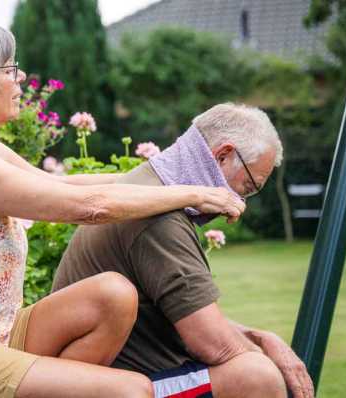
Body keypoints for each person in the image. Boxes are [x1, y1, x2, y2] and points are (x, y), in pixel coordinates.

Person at [0, 20, 246, 398]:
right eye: (9, 69)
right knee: (130, 391)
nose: (21, 76)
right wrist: (192, 195)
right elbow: (88, 207)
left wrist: (166, 181)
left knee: (114, 295)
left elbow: (62, 185)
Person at [53, 103, 315, 398]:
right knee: (260, 377)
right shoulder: (162, 221)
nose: (242, 203)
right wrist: (271, 361)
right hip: (113, 386)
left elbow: (193, 319)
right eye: (248, 187)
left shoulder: (145, 187)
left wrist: (262, 339)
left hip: (107, 375)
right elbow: (212, 344)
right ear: (223, 156)